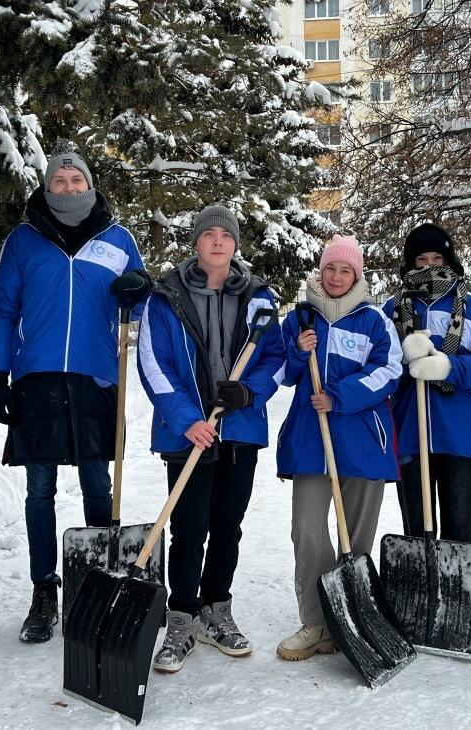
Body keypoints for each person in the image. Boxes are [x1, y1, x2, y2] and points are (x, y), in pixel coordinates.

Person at [0, 150, 152, 644]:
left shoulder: (117, 239)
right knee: (40, 490)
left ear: (89, 184)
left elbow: (143, 295)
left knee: (98, 484)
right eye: (60, 177)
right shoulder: (24, 239)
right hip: (36, 376)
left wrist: (137, 288)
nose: (68, 183)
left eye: (76, 176)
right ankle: (44, 589)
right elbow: (2, 308)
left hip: (96, 376)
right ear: (48, 185)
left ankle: (100, 582)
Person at [136, 205, 286, 672]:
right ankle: (181, 616)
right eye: (209, 235)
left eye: (226, 235)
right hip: (190, 433)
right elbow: (153, 363)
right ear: (196, 243)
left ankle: (217, 608)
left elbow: (275, 358)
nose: (218, 242)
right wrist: (187, 420)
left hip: (239, 429)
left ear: (235, 245)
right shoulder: (167, 297)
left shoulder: (259, 299)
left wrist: (248, 392)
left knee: (227, 526)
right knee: (188, 529)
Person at [274, 236, 402, 661]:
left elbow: (390, 370)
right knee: (307, 530)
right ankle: (315, 621)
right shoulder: (301, 317)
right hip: (312, 441)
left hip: (364, 440)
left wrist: (339, 396)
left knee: (356, 540)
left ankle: (350, 622)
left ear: (357, 275)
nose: (335, 276)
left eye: (345, 270)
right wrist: (297, 350)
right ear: (321, 270)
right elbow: (282, 372)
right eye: (330, 268)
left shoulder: (375, 320)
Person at [383, 223, 471, 548]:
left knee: (459, 534)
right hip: (409, 431)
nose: (430, 265)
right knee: (416, 532)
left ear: (449, 261)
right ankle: (418, 592)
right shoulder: (391, 310)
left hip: (461, 434)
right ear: (410, 264)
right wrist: (404, 364)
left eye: (437, 257)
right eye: (421, 259)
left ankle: (460, 596)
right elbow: (377, 367)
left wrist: (450, 367)